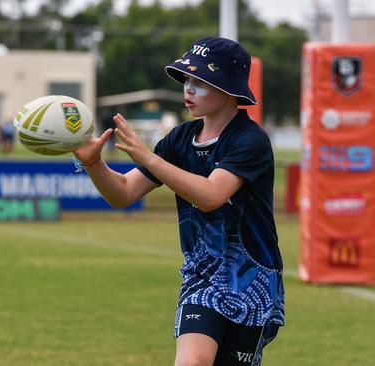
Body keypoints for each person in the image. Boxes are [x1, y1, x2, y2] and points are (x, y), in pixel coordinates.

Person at [73, 37, 284, 366]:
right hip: (201, 278)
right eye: (186, 79)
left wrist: (148, 156)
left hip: (251, 284)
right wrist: (94, 164)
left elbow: (211, 195)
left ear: (228, 88)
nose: (189, 89)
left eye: (200, 82)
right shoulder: (179, 139)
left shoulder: (250, 140)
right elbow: (124, 192)